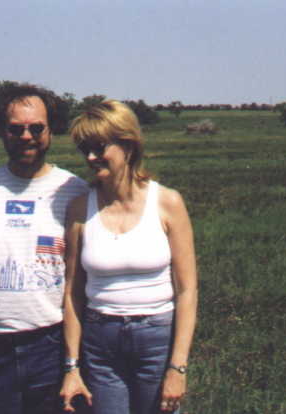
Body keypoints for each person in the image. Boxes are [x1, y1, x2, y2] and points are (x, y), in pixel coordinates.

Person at [0, 84, 88, 414]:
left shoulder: (74, 191)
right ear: (2, 132)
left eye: (36, 127)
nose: (27, 136)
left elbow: (80, 276)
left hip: (52, 343)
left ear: (51, 130)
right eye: (16, 128)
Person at [60, 100, 198, 414]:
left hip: (156, 338)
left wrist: (177, 368)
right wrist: (72, 366)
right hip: (100, 343)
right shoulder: (81, 209)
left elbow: (187, 290)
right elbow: (72, 292)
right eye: (85, 149)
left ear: (129, 144)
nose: (91, 158)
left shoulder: (167, 203)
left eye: (99, 147)